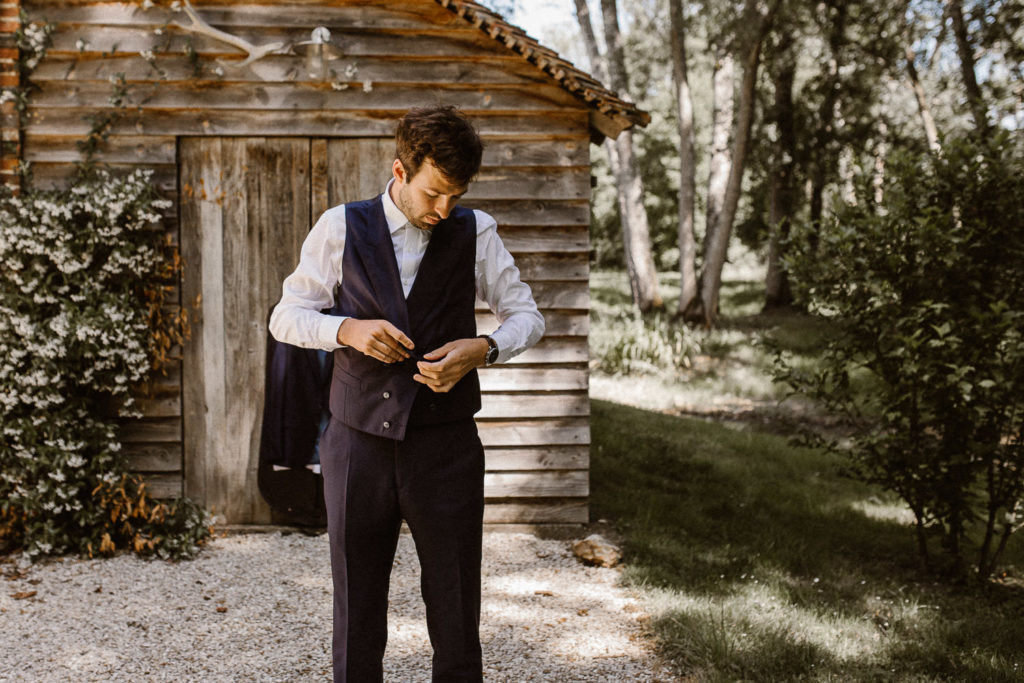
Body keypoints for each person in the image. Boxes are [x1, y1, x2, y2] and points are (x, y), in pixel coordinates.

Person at [269, 105, 544, 682]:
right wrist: (345, 329)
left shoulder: (478, 232)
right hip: (356, 446)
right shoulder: (340, 227)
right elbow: (286, 317)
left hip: (446, 450)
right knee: (357, 606)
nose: (444, 209)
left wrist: (484, 349)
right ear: (399, 170)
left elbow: (527, 317)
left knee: (455, 604)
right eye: (434, 193)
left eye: (457, 195)